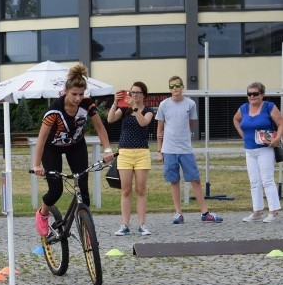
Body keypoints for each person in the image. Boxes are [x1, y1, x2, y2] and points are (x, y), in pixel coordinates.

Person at [32, 63, 114, 237]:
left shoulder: (87, 104)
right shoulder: (54, 110)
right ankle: (43, 213)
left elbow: (100, 128)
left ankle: (86, 229)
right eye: (74, 94)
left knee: (83, 187)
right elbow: (41, 139)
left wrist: (107, 149)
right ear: (65, 92)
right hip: (52, 147)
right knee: (56, 190)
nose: (77, 98)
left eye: (81, 94)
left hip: (76, 145)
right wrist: (37, 164)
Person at [155, 76, 222, 224]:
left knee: (195, 179)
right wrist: (159, 150)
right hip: (169, 149)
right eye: (172, 86)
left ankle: (205, 212)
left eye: (178, 85)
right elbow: (160, 128)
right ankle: (178, 213)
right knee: (174, 181)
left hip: (186, 149)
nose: (175, 89)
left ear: (182, 86)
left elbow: (191, 124)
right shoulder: (164, 105)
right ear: (169, 89)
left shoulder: (190, 104)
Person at [107, 82, 154, 236]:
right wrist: (115, 103)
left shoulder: (148, 111)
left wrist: (135, 108)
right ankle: (124, 224)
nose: (134, 95)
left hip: (141, 153)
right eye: (132, 92)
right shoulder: (124, 110)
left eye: (137, 92)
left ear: (143, 95)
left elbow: (143, 123)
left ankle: (142, 224)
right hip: (125, 153)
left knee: (140, 190)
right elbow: (110, 119)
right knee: (125, 190)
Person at [232, 81, 282, 223]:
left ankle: (273, 211)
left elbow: (280, 123)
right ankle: (257, 212)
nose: (252, 96)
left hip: (265, 148)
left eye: (255, 94)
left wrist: (277, 138)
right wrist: (242, 133)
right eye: (249, 94)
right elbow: (236, 119)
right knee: (254, 181)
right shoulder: (244, 108)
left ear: (262, 95)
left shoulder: (269, 107)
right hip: (249, 149)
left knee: (267, 179)